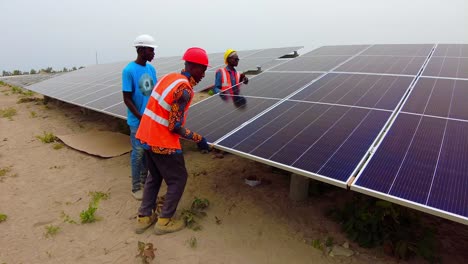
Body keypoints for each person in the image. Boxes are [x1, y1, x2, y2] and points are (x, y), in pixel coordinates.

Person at [134, 47, 211, 235]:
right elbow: (174, 126)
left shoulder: (170, 77)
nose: (203, 75)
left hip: (146, 136)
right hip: (162, 140)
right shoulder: (184, 89)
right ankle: (165, 220)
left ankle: (144, 217)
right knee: (178, 179)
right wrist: (198, 139)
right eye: (202, 70)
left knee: (155, 176)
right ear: (192, 67)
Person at [122, 34, 158, 200]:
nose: (153, 53)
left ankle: (145, 181)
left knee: (147, 152)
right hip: (137, 121)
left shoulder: (151, 69)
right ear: (142, 50)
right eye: (151, 50)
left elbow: (155, 93)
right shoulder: (129, 70)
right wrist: (140, 116)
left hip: (150, 120)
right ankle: (135, 187)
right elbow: (127, 98)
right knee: (138, 152)